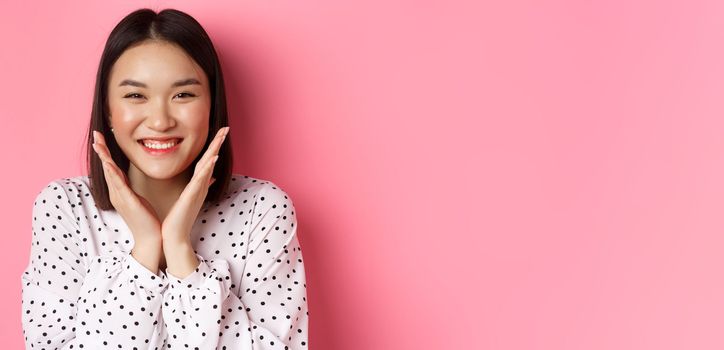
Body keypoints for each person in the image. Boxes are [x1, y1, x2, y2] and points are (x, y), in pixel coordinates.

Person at [20, 8, 309, 349]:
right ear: (109, 109)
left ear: (212, 106)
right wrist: (144, 248)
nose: (160, 121)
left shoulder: (262, 210)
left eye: (183, 95)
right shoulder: (65, 208)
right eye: (135, 96)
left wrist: (180, 249)